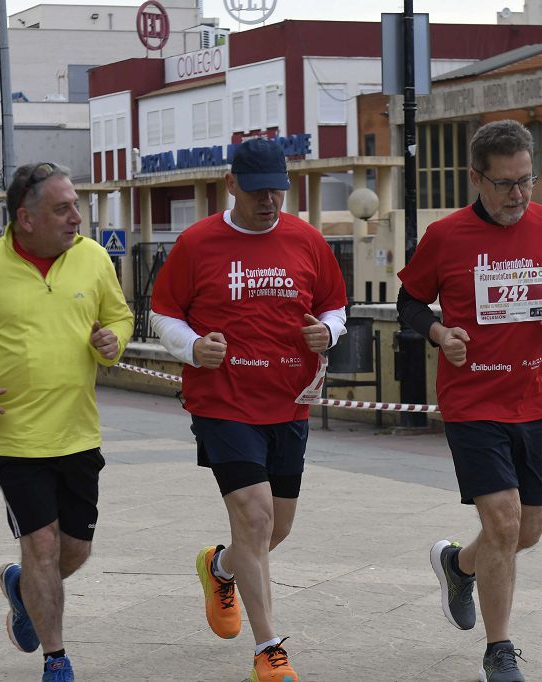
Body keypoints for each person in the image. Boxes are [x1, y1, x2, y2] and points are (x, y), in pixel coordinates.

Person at [396, 120, 542, 682]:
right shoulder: (445, 236)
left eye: (526, 180)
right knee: (504, 523)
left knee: (527, 531)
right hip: (473, 401)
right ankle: (499, 650)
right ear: (476, 178)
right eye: (505, 183)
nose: (518, 194)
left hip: (535, 397)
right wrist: (440, 334)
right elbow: (410, 302)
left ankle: (458, 565)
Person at [0, 162, 134, 682]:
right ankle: (55, 659)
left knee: (74, 550)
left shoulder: (93, 258)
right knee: (41, 545)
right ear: (26, 218)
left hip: (78, 431)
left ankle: (22, 589)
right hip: (14, 436)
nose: (76, 218)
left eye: (76, 206)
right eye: (62, 209)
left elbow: (120, 316)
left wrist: (114, 340)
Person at [149, 137, 348, 682]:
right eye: (258, 191)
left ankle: (219, 567)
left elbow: (335, 305)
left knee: (273, 529)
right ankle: (268, 649)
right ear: (232, 184)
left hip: (289, 402)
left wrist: (327, 332)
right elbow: (162, 313)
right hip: (223, 400)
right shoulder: (197, 243)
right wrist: (193, 347)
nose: (268, 201)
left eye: (277, 191)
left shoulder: (307, 240)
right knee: (256, 517)